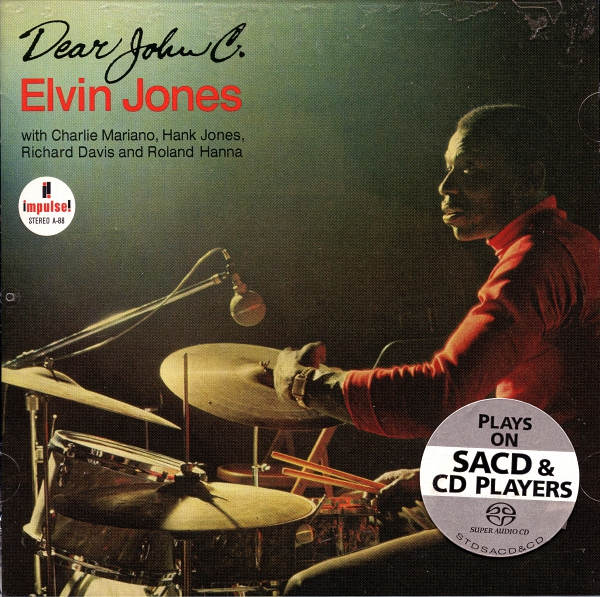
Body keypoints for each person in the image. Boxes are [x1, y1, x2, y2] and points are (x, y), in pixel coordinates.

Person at [274, 105, 599, 595]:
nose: (446, 187)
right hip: (561, 497)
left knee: (310, 588)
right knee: (393, 519)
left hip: (569, 523)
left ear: (531, 177)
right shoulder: (568, 244)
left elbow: (441, 393)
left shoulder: (538, 259)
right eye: (448, 169)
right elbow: (550, 418)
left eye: (470, 170)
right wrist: (439, 475)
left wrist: (306, 384)